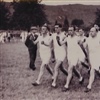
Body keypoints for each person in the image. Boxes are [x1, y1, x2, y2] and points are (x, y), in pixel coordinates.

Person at [57, 27, 85, 91]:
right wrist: (58, 40)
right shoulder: (67, 38)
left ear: (74, 31)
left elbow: (81, 44)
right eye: (69, 30)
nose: (70, 31)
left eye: (71, 30)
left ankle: (66, 85)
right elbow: (61, 43)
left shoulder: (77, 38)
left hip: (76, 55)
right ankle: (80, 77)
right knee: (73, 69)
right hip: (70, 55)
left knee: (70, 69)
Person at [51, 23, 68, 88]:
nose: (56, 29)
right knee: (61, 68)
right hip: (56, 53)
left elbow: (64, 43)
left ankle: (54, 83)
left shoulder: (64, 35)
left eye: (57, 27)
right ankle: (69, 75)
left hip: (62, 53)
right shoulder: (53, 35)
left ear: (61, 28)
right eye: (55, 28)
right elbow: (50, 43)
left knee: (56, 67)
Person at [84, 27, 100, 92]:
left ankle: (89, 86)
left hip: (98, 56)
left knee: (92, 70)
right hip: (91, 56)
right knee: (95, 70)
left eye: (92, 31)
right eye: (90, 31)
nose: (91, 32)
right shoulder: (88, 39)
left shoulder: (99, 38)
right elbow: (84, 47)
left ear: (96, 32)